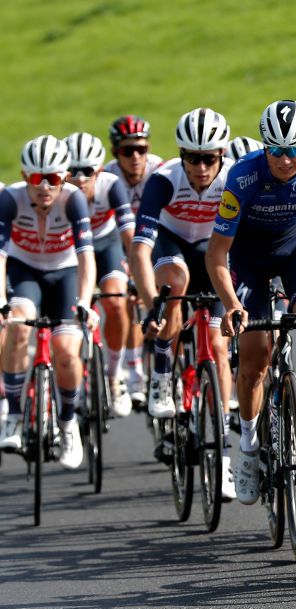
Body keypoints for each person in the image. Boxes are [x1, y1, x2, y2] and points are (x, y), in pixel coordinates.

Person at [209, 99, 296, 505]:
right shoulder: (243, 176)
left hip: (294, 245)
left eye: (295, 149)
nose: (286, 159)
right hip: (247, 256)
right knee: (254, 356)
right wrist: (231, 304)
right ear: (265, 148)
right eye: (277, 151)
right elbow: (216, 254)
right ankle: (246, 450)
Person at [130, 108, 236, 499]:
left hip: (214, 253)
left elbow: (249, 241)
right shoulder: (164, 179)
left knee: (220, 350)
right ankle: (161, 374)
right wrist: (150, 307)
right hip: (172, 246)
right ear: (181, 155)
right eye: (193, 157)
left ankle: (224, 458)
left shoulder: (233, 179)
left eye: (209, 157)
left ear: (222, 155)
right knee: (175, 282)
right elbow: (140, 249)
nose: (201, 166)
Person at [0, 135, 98, 468]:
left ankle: (68, 425)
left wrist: (85, 302)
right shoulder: (10, 199)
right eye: (36, 178)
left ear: (64, 176)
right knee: (17, 325)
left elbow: (87, 257)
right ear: (25, 176)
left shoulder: (73, 199)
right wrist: (1, 301)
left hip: (64, 273)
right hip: (25, 271)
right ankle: (12, 415)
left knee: (68, 351)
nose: (44, 186)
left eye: (53, 178)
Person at [64, 132, 136, 418]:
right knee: (67, 316)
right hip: (69, 251)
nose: (80, 178)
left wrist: (134, 276)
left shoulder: (111, 185)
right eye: (73, 170)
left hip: (106, 246)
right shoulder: (58, 191)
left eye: (88, 171)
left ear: (100, 170)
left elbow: (128, 234)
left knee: (116, 302)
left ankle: (114, 375)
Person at [105, 115, 163, 405]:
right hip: (121, 246)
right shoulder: (107, 177)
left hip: (157, 242)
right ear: (116, 152)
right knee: (127, 296)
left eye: (142, 149)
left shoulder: (160, 170)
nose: (136, 157)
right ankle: (134, 369)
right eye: (128, 151)